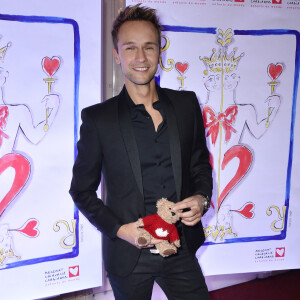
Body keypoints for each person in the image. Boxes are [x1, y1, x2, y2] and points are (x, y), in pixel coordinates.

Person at [69, 4, 212, 300]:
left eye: (149, 47)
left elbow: (200, 165)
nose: (140, 58)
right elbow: (81, 191)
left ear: (160, 52)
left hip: (180, 247)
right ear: (117, 54)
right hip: (129, 254)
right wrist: (121, 230)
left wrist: (201, 199)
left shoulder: (186, 105)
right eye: (130, 48)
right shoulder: (99, 119)